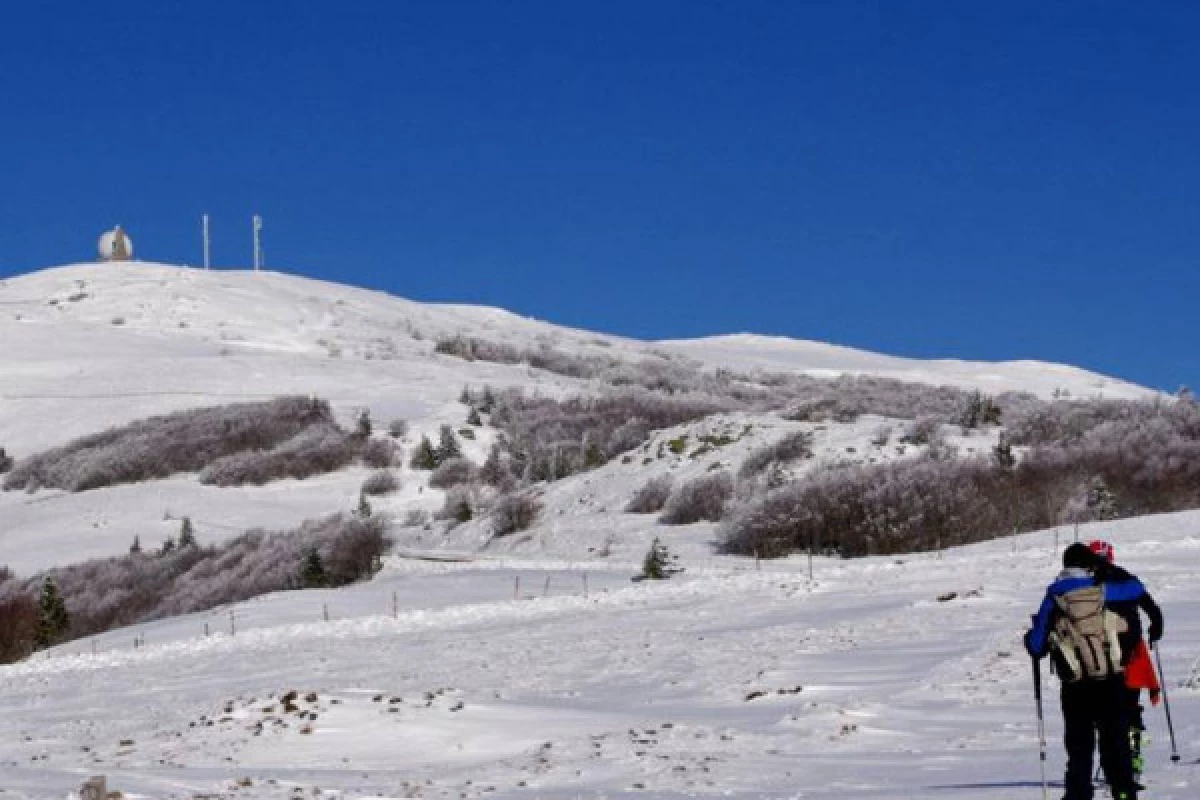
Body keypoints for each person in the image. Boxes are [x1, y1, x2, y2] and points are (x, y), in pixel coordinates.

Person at [1024, 543, 1149, 800]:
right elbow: (1137, 589)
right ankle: (1124, 793)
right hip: (1111, 680)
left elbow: (1037, 647)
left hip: (1076, 685)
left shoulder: (1054, 596)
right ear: (1088, 565)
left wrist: (1031, 638)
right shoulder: (1102, 591)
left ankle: (1078, 795)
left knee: (1080, 748)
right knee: (1115, 744)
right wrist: (1105, 569)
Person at [1087, 540, 1164, 785]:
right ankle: (1134, 760)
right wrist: (1155, 630)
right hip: (1133, 657)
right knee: (1131, 710)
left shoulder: (1089, 586)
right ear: (1111, 557)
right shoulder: (1129, 579)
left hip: (1103, 659)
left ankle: (1112, 762)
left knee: (1105, 712)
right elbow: (1154, 611)